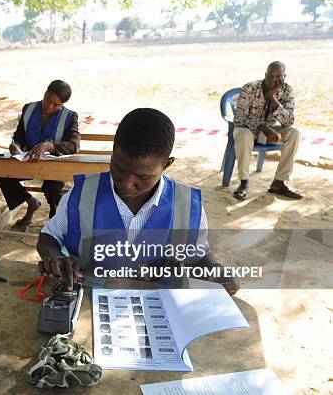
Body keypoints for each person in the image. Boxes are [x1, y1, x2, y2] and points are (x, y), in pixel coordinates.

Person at [36, 108, 239, 295]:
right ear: (113, 152)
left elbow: (198, 256)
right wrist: (54, 257)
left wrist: (215, 270)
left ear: (167, 165)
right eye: (118, 168)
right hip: (88, 302)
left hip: (155, 307)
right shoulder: (81, 195)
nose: (126, 184)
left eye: (142, 177)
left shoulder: (187, 207)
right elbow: (48, 237)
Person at [0, 80, 80, 232]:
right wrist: (17, 147)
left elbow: (74, 146)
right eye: (47, 101)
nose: (49, 107)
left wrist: (48, 146)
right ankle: (31, 202)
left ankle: (56, 226)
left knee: (53, 189)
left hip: (52, 168)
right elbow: (19, 136)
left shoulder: (69, 117)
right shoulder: (29, 109)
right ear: (45, 93)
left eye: (56, 105)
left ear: (62, 105)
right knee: (2, 174)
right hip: (27, 162)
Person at [232, 61, 302, 200]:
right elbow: (239, 119)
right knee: (245, 134)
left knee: (294, 133)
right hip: (247, 130)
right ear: (265, 75)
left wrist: (272, 98)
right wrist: (262, 128)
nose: (274, 79)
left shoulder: (287, 90)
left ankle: (278, 183)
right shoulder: (250, 88)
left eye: (278, 76)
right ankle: (243, 183)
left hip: (269, 132)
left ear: (284, 77)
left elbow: (288, 121)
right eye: (271, 75)